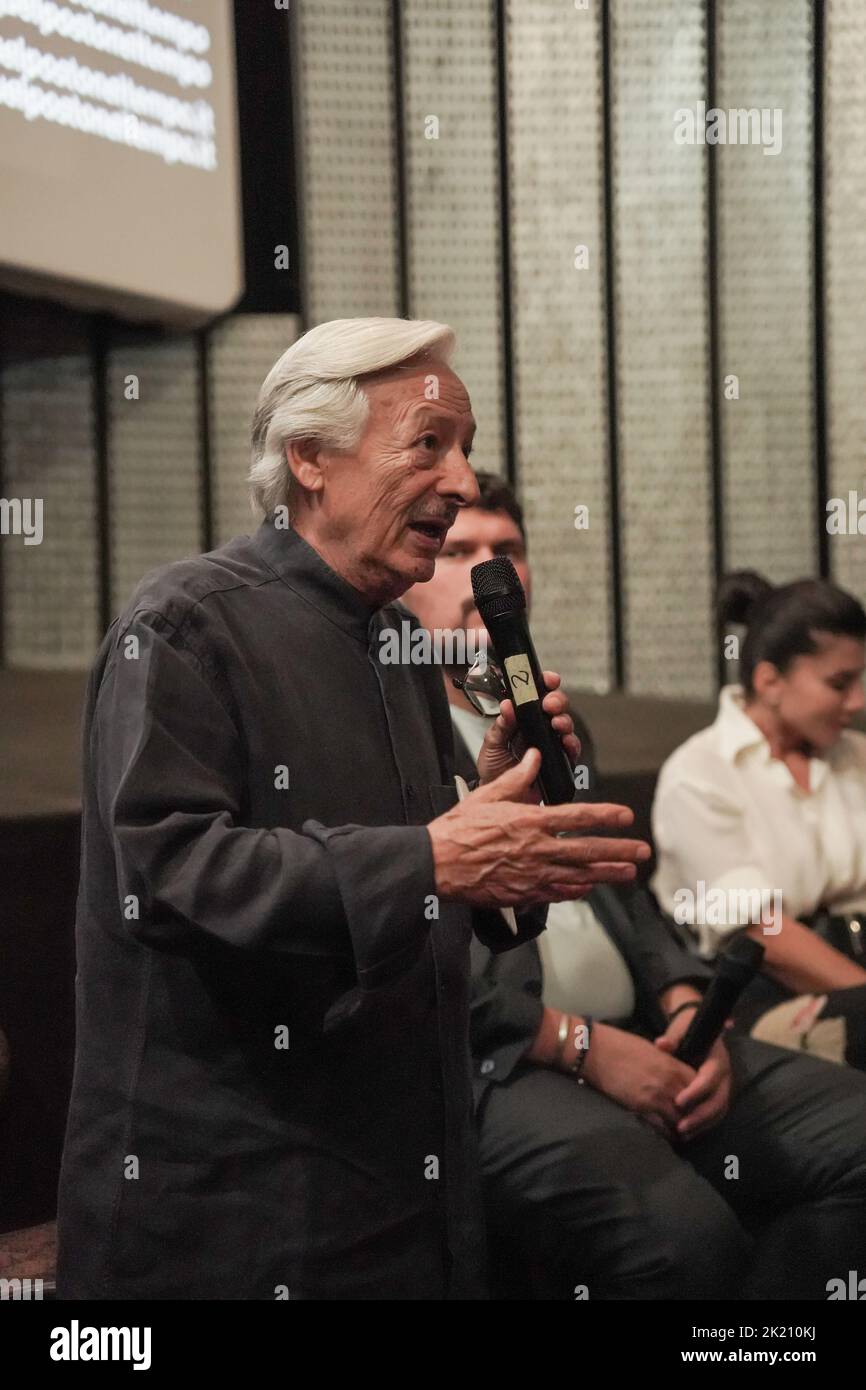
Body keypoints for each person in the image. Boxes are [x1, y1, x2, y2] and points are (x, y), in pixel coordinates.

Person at [56, 319, 649, 1301]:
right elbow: (165, 876)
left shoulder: (398, 649)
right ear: (309, 458)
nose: (460, 480)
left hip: (410, 1195)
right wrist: (433, 858)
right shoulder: (184, 627)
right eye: (428, 444)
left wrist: (491, 809)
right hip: (241, 1212)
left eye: (465, 449)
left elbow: (424, 886)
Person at [403, 476, 866, 1300]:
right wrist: (580, 1044)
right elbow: (413, 940)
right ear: (410, 572)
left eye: (504, 551)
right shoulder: (393, 729)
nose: (486, 571)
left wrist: (690, 1006)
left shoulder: (539, 710)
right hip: (509, 1055)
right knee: (684, 1237)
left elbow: (622, 888)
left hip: (646, 1025)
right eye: (460, 551)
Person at [653, 570, 866, 1066]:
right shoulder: (700, 773)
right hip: (767, 994)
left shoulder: (856, 757)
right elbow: (762, 931)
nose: (857, 703)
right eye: (840, 684)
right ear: (769, 680)